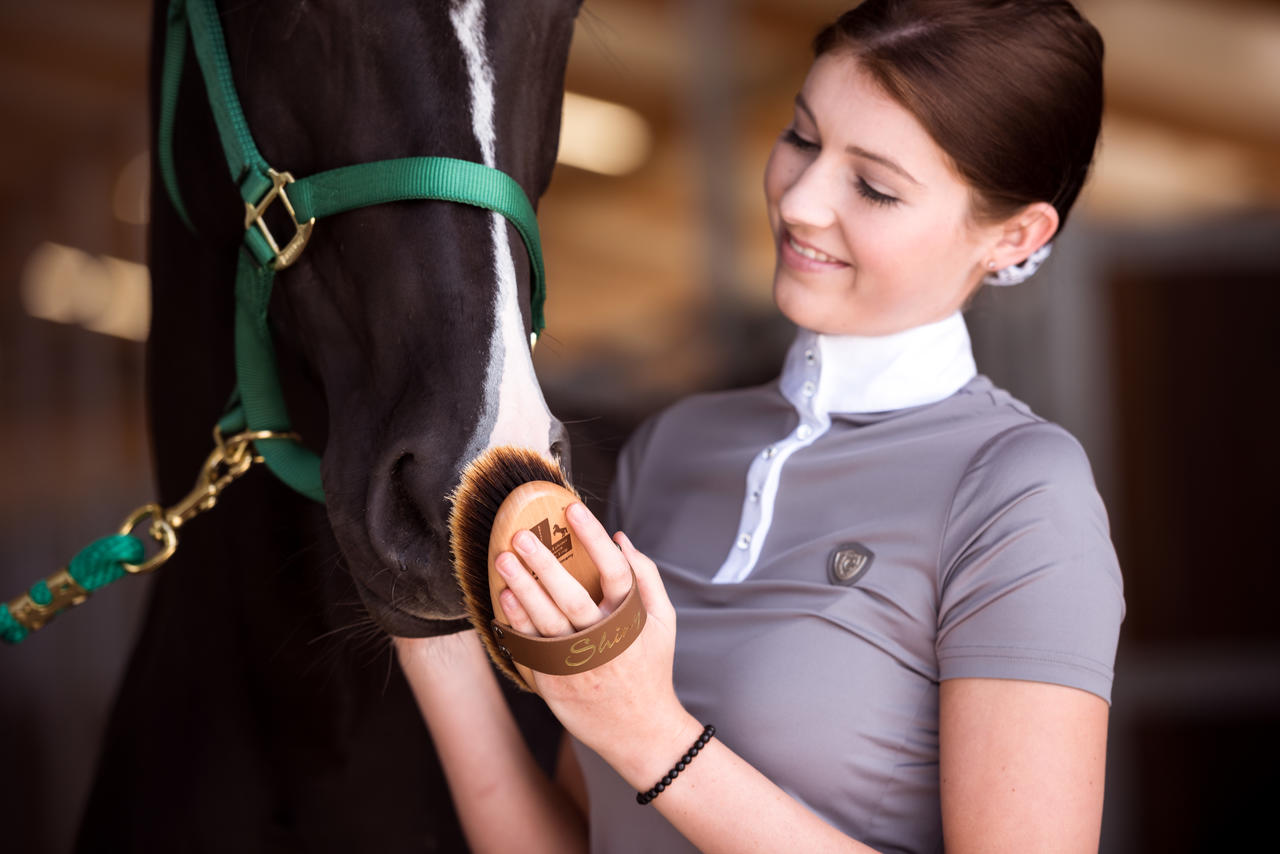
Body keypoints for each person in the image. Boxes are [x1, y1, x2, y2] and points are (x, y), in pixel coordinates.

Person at [394, 0, 1125, 851]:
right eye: (804, 137)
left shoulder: (1018, 493)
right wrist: (421, 620)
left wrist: (647, 732)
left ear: (1013, 235)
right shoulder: (676, 446)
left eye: (875, 186)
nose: (801, 199)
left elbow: (638, 740)